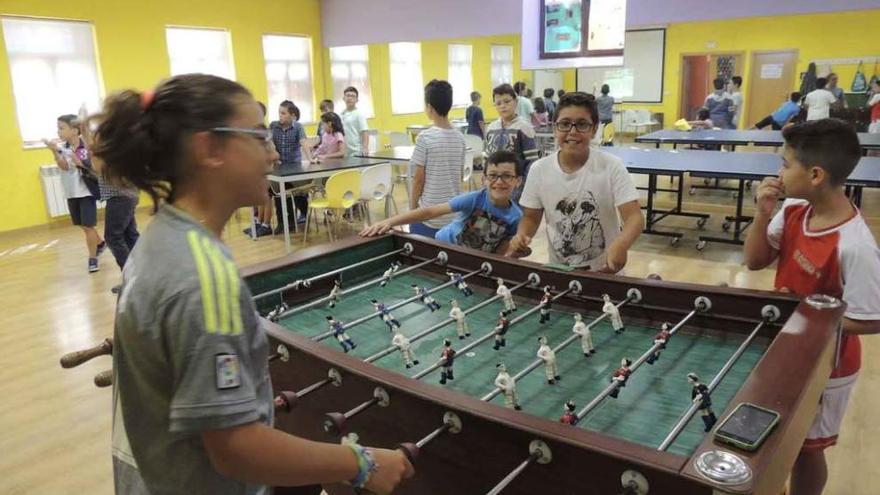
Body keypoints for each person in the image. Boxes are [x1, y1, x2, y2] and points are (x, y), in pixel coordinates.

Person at [89, 74, 412, 495]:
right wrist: (359, 462)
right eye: (259, 138)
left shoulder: (160, 239)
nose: (274, 153)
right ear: (210, 148)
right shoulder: (203, 276)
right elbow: (237, 449)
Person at [743, 119, 880, 495]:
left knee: (807, 448)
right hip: (786, 350)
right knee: (779, 434)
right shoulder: (792, 212)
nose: (780, 172)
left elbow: (871, 319)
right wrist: (762, 213)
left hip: (829, 366)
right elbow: (755, 261)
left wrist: (810, 319)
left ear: (815, 174)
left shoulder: (854, 245)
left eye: (786, 164)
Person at [506, 92, 643, 272]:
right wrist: (522, 236)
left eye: (582, 124)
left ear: (594, 129)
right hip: (559, 271)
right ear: (555, 128)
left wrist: (621, 244)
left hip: (606, 272)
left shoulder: (611, 167)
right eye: (564, 124)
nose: (572, 131)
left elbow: (634, 217)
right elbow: (531, 217)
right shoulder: (539, 169)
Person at [360, 150, 523, 254]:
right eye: (493, 175)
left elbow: (504, 245)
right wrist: (389, 222)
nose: (499, 181)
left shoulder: (516, 216)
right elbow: (430, 212)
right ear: (484, 179)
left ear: (518, 181)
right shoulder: (474, 199)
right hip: (445, 245)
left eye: (507, 176)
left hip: (472, 257)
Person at [43, 114, 105, 273]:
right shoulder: (62, 147)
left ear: (75, 130)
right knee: (83, 226)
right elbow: (64, 167)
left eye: (61, 128)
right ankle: (100, 243)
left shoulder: (85, 147)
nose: (58, 131)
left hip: (86, 192)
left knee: (88, 226)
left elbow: (93, 167)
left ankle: (93, 258)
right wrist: (55, 152)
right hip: (71, 192)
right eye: (58, 128)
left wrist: (80, 163)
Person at [407, 79, 466, 237]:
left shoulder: (424, 138)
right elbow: (459, 176)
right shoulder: (460, 138)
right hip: (453, 213)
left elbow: (418, 180)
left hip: (428, 217)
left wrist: (412, 210)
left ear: (429, 107)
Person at [484, 84, 539, 203]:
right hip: (494, 186)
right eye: (498, 103)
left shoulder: (524, 127)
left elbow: (532, 162)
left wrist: (522, 186)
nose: (503, 106)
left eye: (507, 101)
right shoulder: (491, 128)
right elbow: (488, 159)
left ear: (516, 101)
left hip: (515, 188)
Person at [270, 100, 310, 229]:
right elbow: (269, 142)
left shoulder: (298, 127)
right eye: (279, 113)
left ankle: (305, 214)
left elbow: (304, 142)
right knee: (280, 195)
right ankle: (285, 223)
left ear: (292, 115)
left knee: (299, 194)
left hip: (294, 166)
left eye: (283, 113)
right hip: (279, 166)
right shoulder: (273, 126)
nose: (280, 116)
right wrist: (275, 156)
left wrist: (311, 158)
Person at [341, 86, 369, 157]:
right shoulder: (341, 114)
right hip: (345, 152)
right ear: (344, 98)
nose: (350, 98)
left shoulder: (359, 114)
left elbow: (365, 132)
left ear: (357, 100)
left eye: (353, 96)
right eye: (348, 95)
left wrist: (365, 148)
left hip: (356, 152)